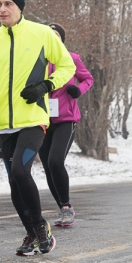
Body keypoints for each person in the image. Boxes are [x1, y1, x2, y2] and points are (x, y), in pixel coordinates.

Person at [0, 0, 75, 256]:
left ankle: (41, 226)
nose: (2, 9)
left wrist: (45, 86)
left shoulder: (41, 34)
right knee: (14, 182)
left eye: (8, 4)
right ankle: (31, 234)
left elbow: (68, 66)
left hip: (33, 119)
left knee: (20, 170)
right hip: (4, 123)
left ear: (20, 7)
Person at [39, 23, 93, 227]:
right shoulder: (38, 61)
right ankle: (62, 208)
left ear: (61, 39)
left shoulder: (72, 58)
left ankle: (67, 207)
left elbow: (88, 79)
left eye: (56, 35)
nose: (52, 38)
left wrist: (78, 90)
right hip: (43, 120)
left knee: (55, 161)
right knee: (46, 165)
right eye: (49, 35)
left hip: (66, 119)